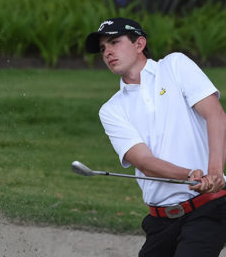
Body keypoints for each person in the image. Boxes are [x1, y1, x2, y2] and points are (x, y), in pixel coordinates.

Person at [85, 17, 226, 257]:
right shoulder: (112, 109)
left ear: (139, 44)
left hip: (208, 209)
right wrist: (189, 174)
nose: (107, 52)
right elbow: (145, 163)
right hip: (161, 221)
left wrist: (214, 171)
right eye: (102, 48)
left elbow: (216, 115)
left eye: (114, 42)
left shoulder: (175, 66)